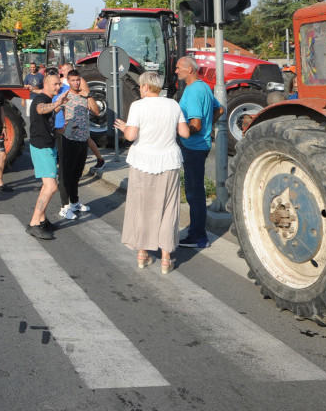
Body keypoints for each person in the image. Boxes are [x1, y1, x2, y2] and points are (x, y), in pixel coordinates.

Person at [114, 71, 189, 273]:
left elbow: (130, 136)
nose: (140, 89)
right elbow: (185, 133)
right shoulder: (173, 105)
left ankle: (142, 253)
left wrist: (124, 128)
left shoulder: (138, 106)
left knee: (141, 208)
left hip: (142, 161)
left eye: (140, 86)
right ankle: (166, 259)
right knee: (168, 209)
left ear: (146, 87)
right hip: (168, 161)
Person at [174, 56, 223, 249]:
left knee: (194, 192)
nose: (176, 71)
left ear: (189, 70)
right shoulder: (203, 87)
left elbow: (195, 123)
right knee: (196, 191)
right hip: (200, 145)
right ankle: (197, 233)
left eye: (178, 68)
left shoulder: (193, 91)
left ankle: (198, 236)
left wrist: (181, 131)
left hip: (193, 147)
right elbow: (220, 109)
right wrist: (209, 128)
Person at [26, 71, 68, 240]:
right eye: (55, 84)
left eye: (59, 84)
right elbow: (40, 109)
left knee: (47, 185)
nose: (58, 86)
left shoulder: (49, 100)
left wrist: (60, 107)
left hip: (47, 144)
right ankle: (34, 223)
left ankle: (42, 220)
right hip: (41, 146)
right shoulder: (41, 100)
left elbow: (48, 114)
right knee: (51, 187)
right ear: (46, 85)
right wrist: (58, 102)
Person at [57, 69, 100, 220]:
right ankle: (64, 206)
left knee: (77, 173)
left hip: (83, 140)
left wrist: (88, 95)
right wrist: (67, 129)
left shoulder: (84, 97)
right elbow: (58, 115)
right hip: (69, 140)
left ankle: (74, 202)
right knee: (66, 174)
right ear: (68, 81)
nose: (76, 83)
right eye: (73, 80)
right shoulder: (65, 97)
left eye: (78, 80)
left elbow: (96, 112)